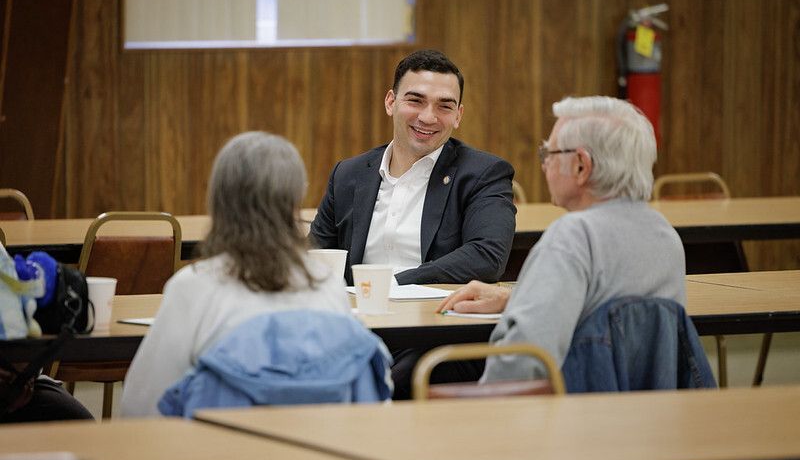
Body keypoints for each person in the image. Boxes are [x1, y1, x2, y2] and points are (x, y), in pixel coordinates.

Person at [437, 96, 686, 381]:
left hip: (571, 415)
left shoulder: (573, 237)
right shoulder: (665, 235)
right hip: (645, 415)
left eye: (549, 155)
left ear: (581, 166)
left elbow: (521, 365)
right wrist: (518, 298)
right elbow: (611, 317)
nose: (544, 166)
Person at [121, 132, 353, 417]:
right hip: (319, 452)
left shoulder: (193, 287)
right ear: (294, 202)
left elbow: (142, 407)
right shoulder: (327, 284)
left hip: (220, 454)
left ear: (218, 200)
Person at [310, 49, 516, 285]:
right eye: (415, 101)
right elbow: (314, 254)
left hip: (434, 318)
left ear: (458, 116)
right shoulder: (348, 175)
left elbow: (487, 256)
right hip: (357, 315)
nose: (428, 117)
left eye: (444, 106)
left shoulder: (483, 174)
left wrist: (392, 283)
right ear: (390, 102)